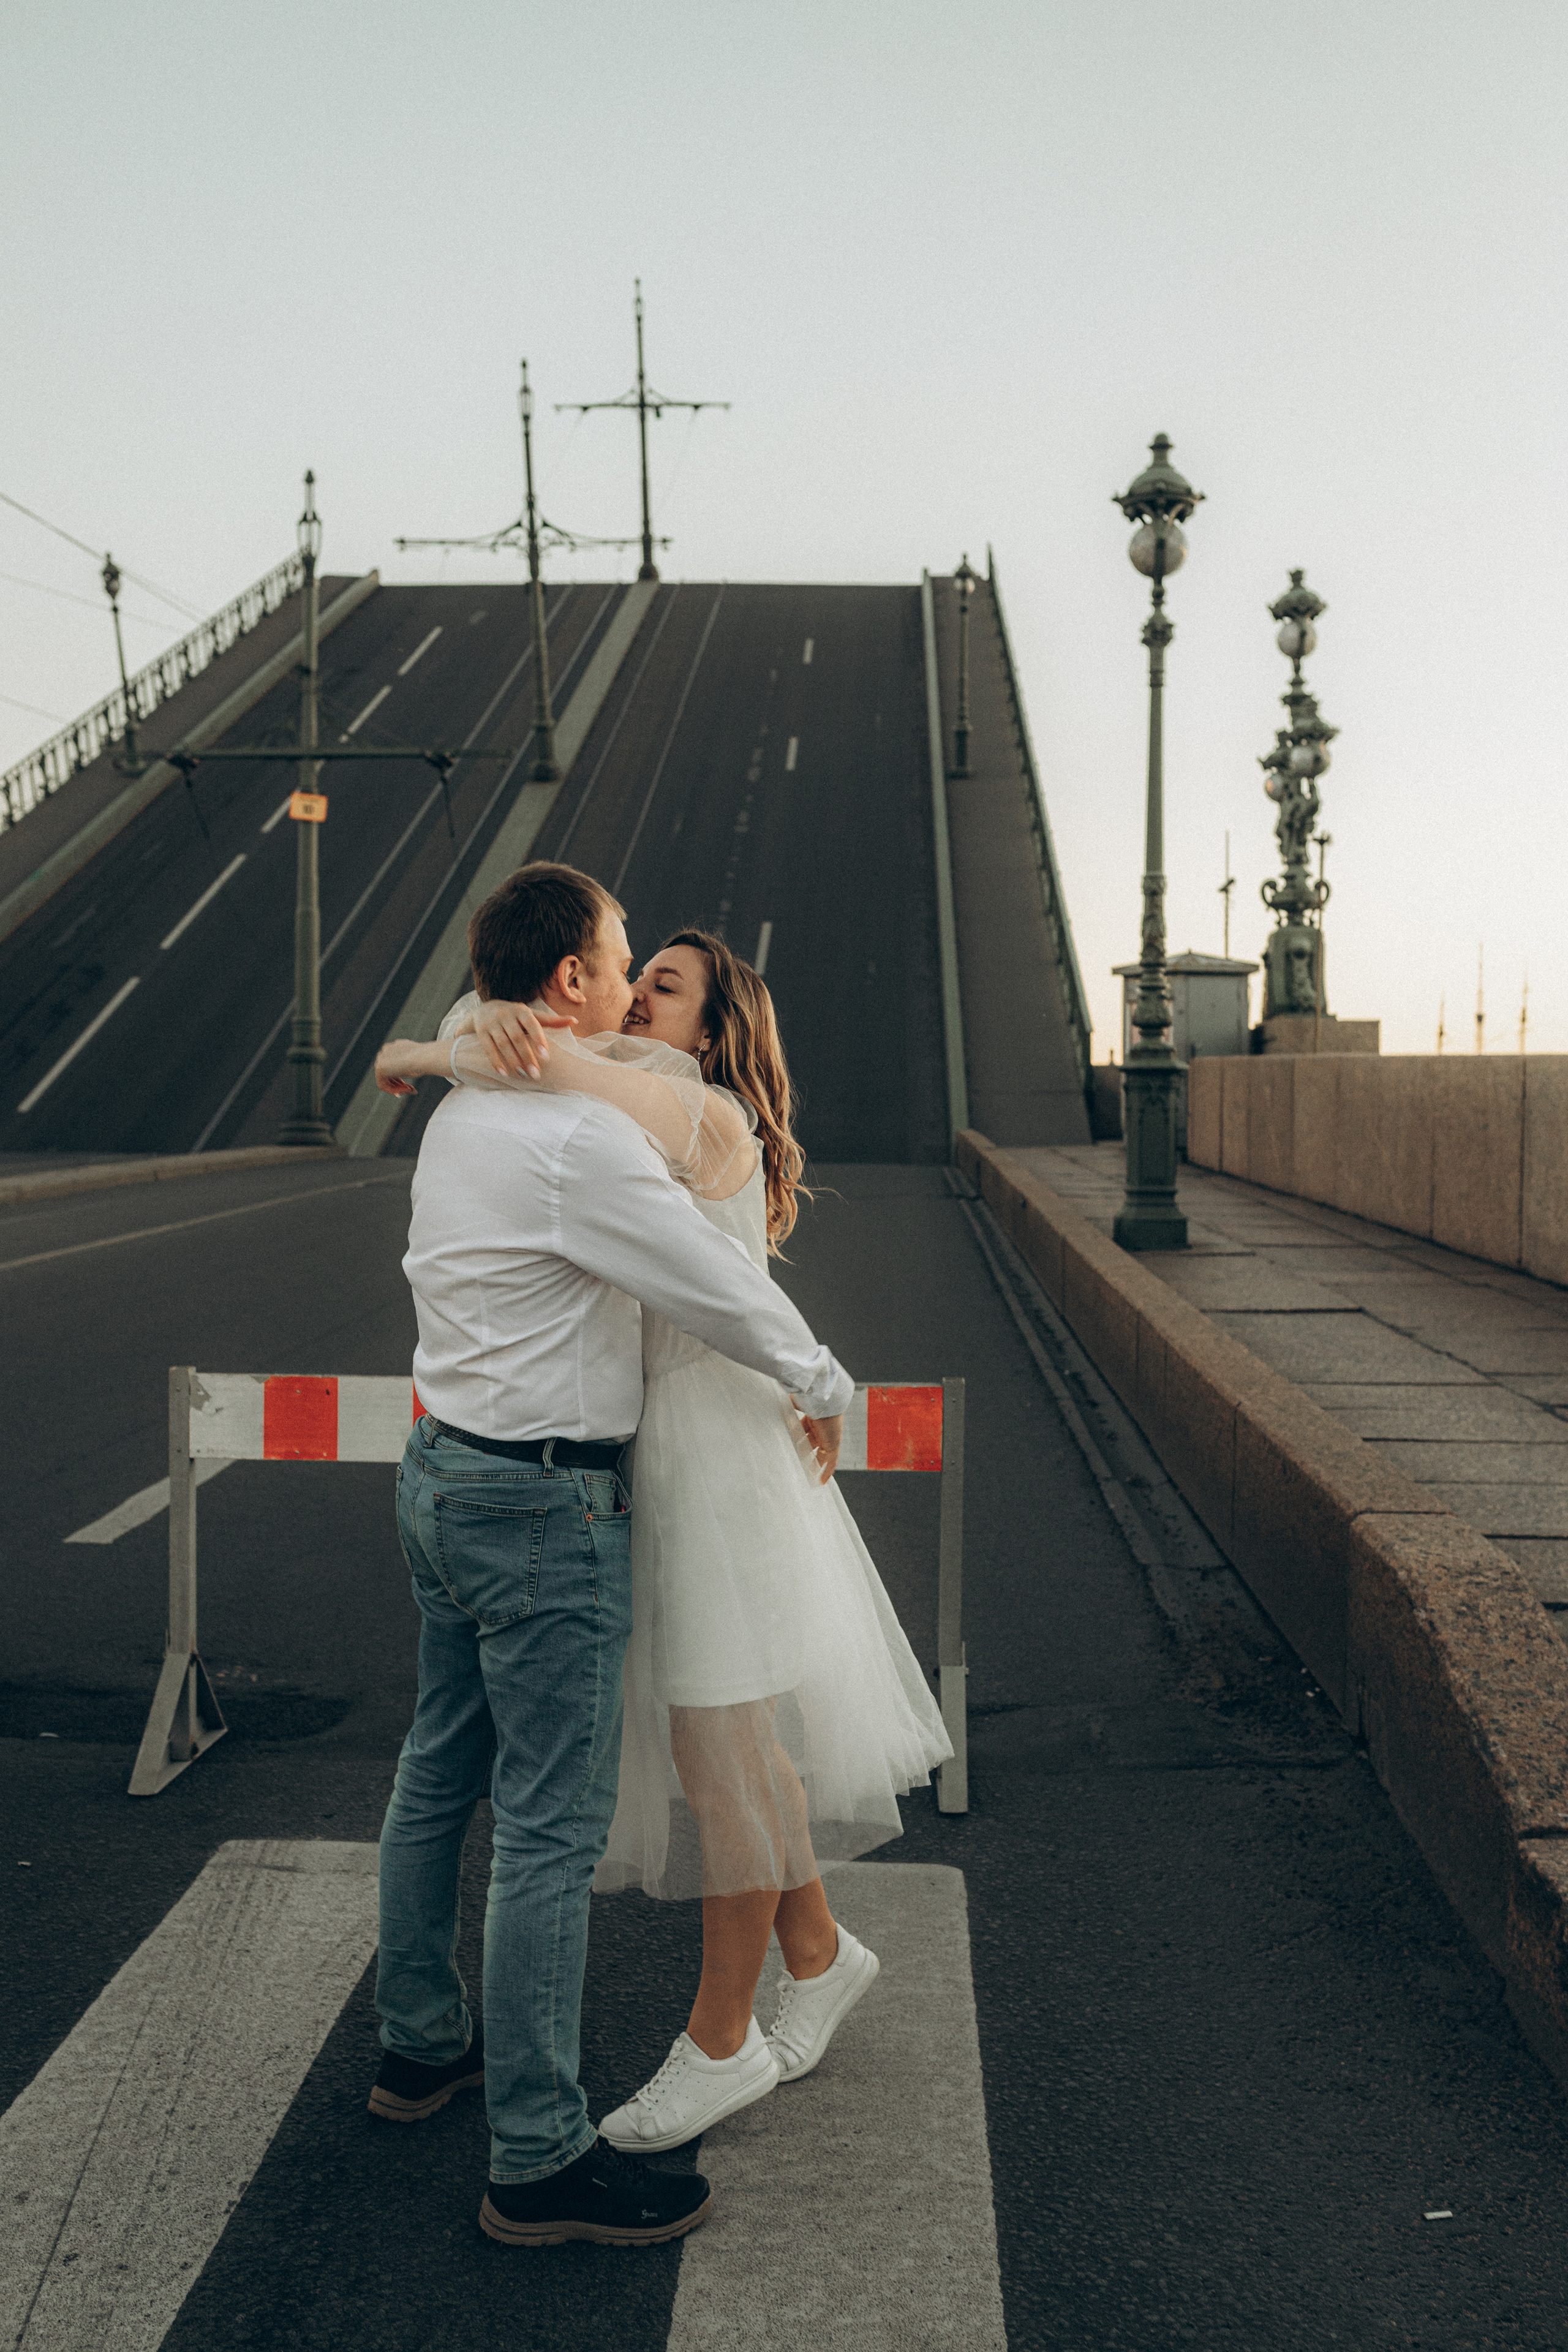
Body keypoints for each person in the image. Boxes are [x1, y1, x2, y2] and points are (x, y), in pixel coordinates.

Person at [378, 925, 951, 2159]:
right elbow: (537, 1070)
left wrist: (450, 1045)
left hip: (713, 1458)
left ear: (712, 1032)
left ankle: (721, 2041)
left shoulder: (704, 1122)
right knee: (739, 1737)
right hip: (668, 1449)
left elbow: (552, 1075)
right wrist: (441, 1045)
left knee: (720, 1754)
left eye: (666, 989)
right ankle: (816, 1951)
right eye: (633, 979)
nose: (636, 999)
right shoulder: (650, 1108)